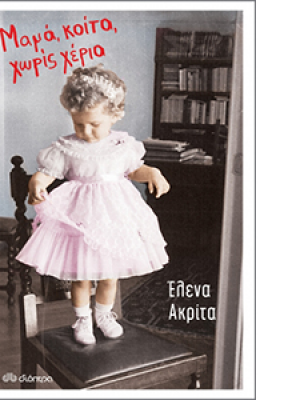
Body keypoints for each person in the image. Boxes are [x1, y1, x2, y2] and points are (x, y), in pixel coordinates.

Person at [16, 64, 170, 345]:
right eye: (78, 124)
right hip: (81, 219)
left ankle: (104, 315)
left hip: (114, 218)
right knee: (82, 275)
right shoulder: (67, 148)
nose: (86, 131)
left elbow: (134, 170)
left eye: (94, 125)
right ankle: (82, 318)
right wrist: (37, 182)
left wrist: (153, 173)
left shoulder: (122, 146)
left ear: (114, 115)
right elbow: (49, 172)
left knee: (110, 274)